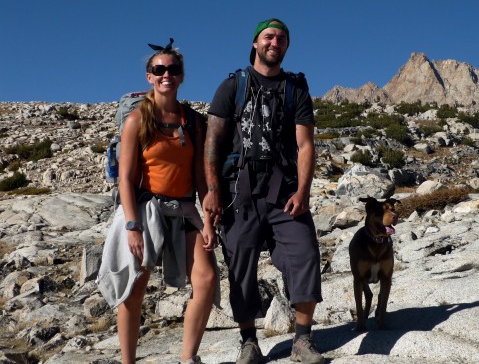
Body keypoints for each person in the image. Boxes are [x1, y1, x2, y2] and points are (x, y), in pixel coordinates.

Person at [203, 19, 324, 364]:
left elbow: (305, 145)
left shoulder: (295, 89)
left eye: (282, 38)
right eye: (269, 36)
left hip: (284, 190)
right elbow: (213, 143)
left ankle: (302, 339)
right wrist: (212, 191)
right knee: (240, 266)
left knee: (304, 256)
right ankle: (249, 342)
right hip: (239, 192)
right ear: (255, 43)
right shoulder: (232, 86)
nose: (275, 42)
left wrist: (303, 191)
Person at [97, 39, 217, 364]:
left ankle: (188, 357)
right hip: (145, 208)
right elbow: (125, 178)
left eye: (173, 69)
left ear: (181, 76)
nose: (167, 75)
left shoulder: (193, 121)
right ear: (150, 76)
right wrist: (132, 226)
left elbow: (201, 177)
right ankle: (128, 361)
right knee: (135, 290)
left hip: (183, 207)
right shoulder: (137, 120)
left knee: (205, 279)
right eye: (159, 70)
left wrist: (208, 219)